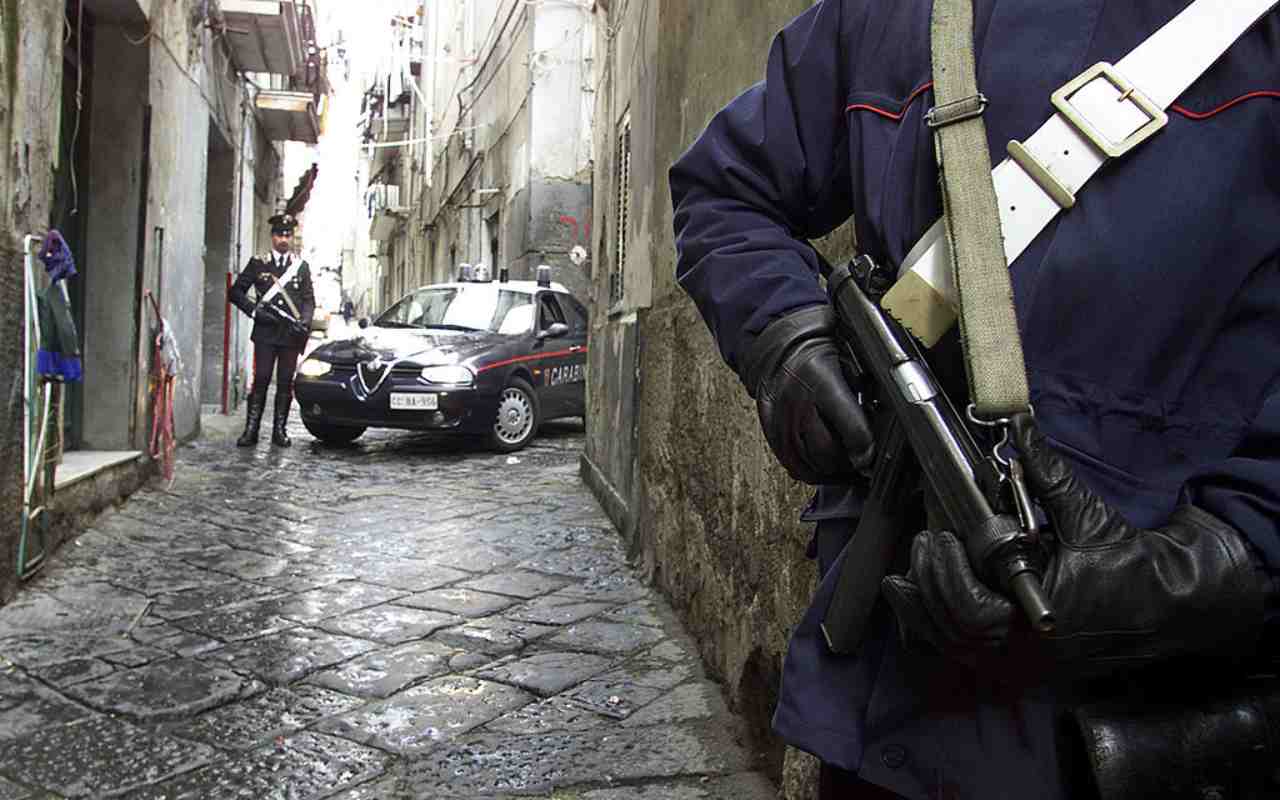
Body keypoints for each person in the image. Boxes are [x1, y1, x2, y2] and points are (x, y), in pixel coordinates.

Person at [670, 2, 1279, 798]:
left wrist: (1201, 571)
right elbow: (725, 189)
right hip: (893, 725)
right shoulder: (881, 14)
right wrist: (783, 337)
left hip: (1156, 741)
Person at [229, 213, 315, 448]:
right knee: (262, 379)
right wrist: (256, 312)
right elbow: (235, 292)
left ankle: (280, 431)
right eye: (279, 234)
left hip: (290, 335)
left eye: (288, 234)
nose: (284, 239)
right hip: (266, 332)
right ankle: (251, 431)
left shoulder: (301, 267)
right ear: (272, 236)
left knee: (286, 381)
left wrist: (305, 322)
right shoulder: (259, 263)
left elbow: (308, 300)